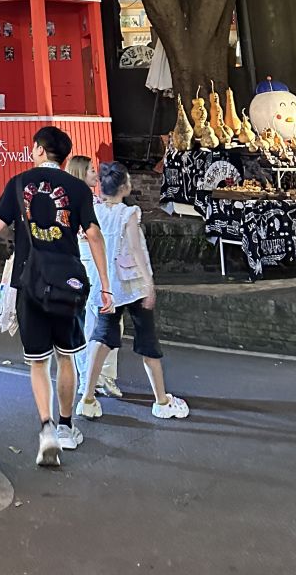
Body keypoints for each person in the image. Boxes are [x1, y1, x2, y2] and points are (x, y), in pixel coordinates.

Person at [0, 126, 113, 468]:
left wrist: (23, 228)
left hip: (29, 281)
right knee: (66, 357)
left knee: (38, 362)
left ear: (40, 150)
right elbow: (93, 234)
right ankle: (66, 427)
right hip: (67, 281)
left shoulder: (18, 183)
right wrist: (105, 285)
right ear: (65, 157)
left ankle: (46, 429)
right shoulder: (77, 188)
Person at [78, 161, 190, 422]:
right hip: (133, 286)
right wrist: (149, 284)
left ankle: (87, 398)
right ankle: (162, 401)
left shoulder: (95, 211)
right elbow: (136, 250)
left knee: (102, 338)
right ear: (124, 187)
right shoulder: (129, 214)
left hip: (109, 286)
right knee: (147, 341)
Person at [68, 154, 122, 400]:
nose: (95, 173)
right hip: (89, 264)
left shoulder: (89, 201)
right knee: (92, 322)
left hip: (92, 263)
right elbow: (95, 236)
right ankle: (92, 378)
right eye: (90, 169)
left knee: (96, 322)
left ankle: (98, 376)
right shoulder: (84, 202)